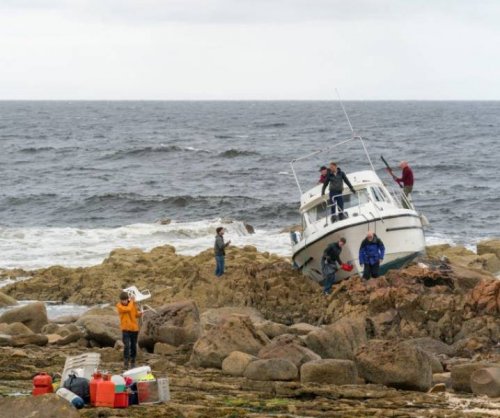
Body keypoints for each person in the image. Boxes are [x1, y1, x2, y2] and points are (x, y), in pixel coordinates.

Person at [116, 291, 142, 370]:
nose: (124, 301)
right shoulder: (119, 306)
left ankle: (133, 362)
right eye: (123, 300)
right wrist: (132, 301)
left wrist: (140, 313)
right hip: (125, 329)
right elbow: (127, 309)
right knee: (127, 346)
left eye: (125, 300)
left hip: (134, 329)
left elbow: (135, 314)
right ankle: (126, 362)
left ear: (127, 299)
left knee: (133, 346)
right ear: (120, 300)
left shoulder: (132, 304)